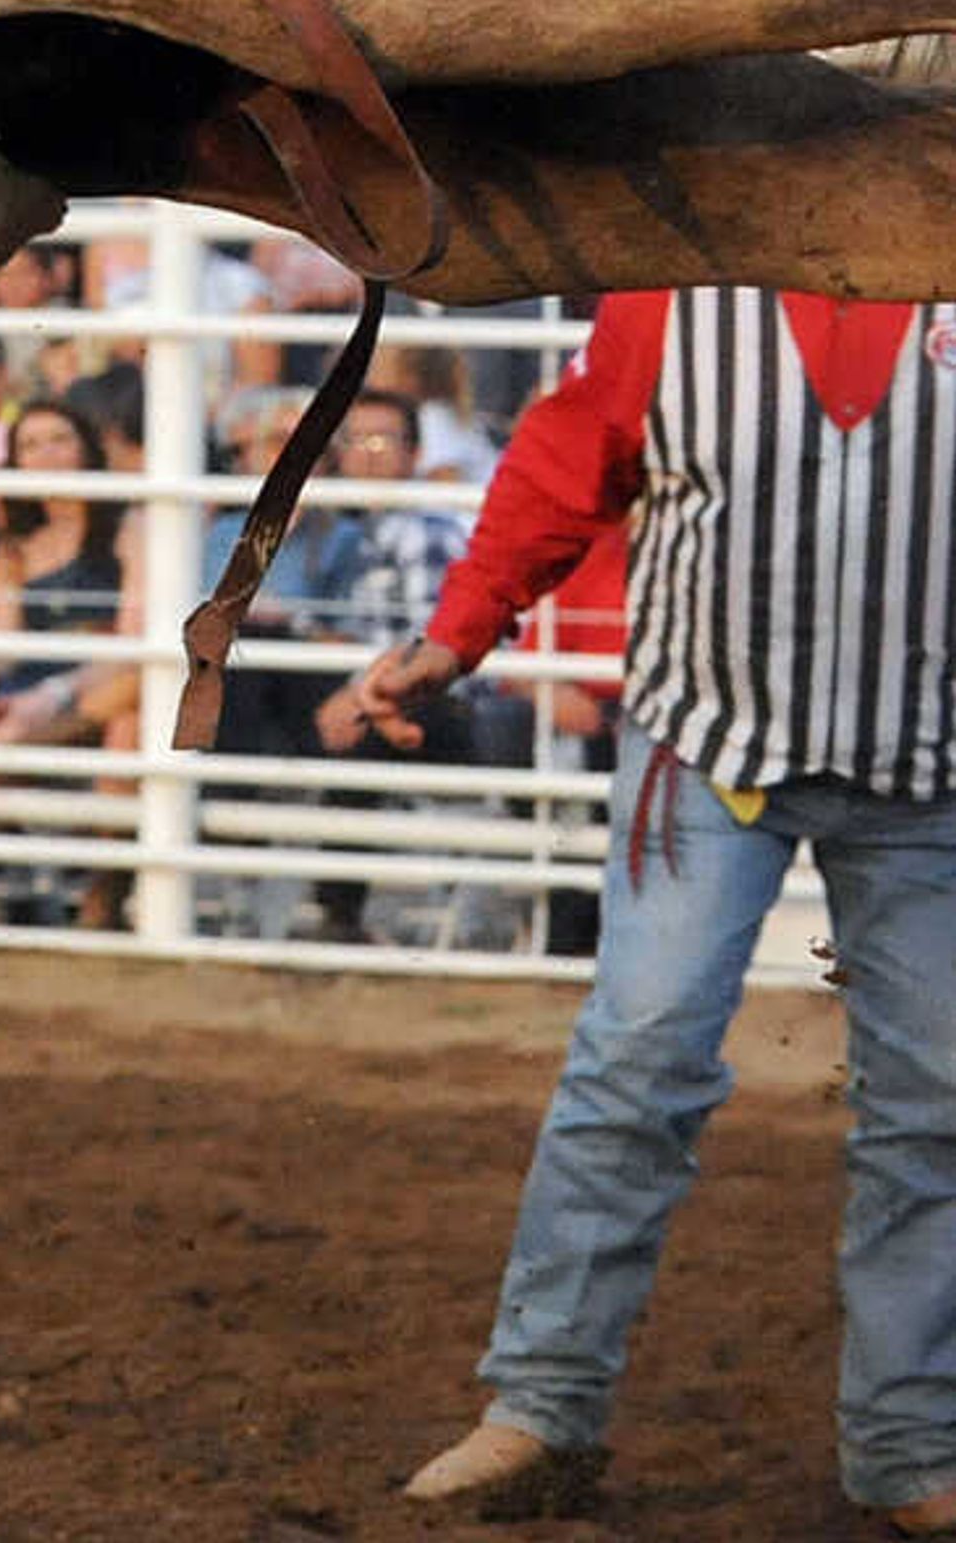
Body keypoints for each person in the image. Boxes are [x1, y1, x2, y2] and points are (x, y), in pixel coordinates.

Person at [323, 287, 956, 1529]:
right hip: (754, 740)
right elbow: (568, 462)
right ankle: (557, 1405)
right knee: (649, 1058)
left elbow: (568, 459)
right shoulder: (675, 287)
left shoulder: (686, 280)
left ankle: (894, 1438)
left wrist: (460, 634)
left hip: (887, 748)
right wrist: (457, 631)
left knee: (917, 1095)